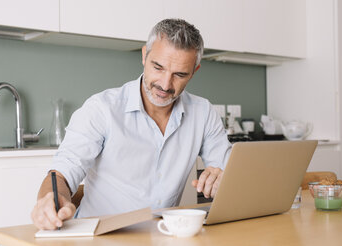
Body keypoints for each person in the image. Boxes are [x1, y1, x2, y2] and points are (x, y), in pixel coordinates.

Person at [31, 18, 232, 230]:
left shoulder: (203, 113)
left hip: (160, 235)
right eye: (158, 67)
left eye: (180, 74)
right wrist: (51, 199)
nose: (165, 84)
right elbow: (62, 172)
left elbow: (229, 173)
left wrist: (223, 181)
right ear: (144, 55)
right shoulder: (102, 109)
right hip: (98, 237)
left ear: (194, 71)